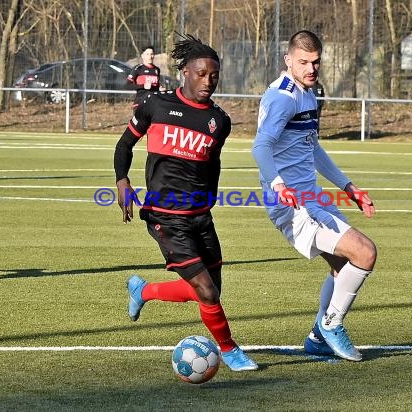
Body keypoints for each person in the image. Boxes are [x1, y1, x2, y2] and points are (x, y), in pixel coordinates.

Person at [114, 34, 258, 372]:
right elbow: (124, 146)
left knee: (210, 292)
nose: (209, 81)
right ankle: (229, 349)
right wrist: (122, 180)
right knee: (206, 291)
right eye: (202, 73)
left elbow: (214, 162)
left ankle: (144, 291)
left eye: (214, 75)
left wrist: (212, 194)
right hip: (166, 217)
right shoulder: (156, 105)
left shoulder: (219, 121)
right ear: (185, 73)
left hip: (200, 216)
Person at [252, 30, 377, 362]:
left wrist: (348, 187)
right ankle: (331, 324)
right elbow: (260, 146)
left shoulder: (307, 94)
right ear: (288, 59)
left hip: (312, 198)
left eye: (316, 61)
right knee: (364, 253)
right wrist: (279, 185)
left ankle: (318, 337)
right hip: (293, 205)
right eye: (304, 62)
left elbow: (313, 148)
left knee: (343, 265)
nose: (311, 68)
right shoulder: (284, 97)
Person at [126, 45, 165, 111]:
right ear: (142, 56)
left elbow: (155, 86)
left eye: (152, 54)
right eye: (147, 54)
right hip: (140, 104)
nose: (150, 56)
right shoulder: (138, 68)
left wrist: (159, 89)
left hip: (153, 104)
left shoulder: (156, 70)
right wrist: (143, 86)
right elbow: (127, 85)